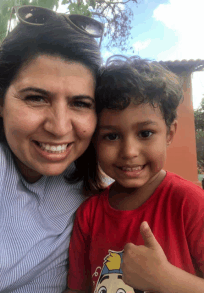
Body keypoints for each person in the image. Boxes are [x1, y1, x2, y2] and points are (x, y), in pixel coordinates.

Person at [0, 5, 103, 293]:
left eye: (80, 103)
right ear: (0, 101)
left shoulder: (97, 185)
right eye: (36, 98)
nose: (60, 127)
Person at [67, 56, 204, 293]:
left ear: (169, 133)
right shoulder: (88, 215)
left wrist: (166, 279)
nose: (129, 152)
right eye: (111, 136)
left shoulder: (190, 203)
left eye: (145, 133)